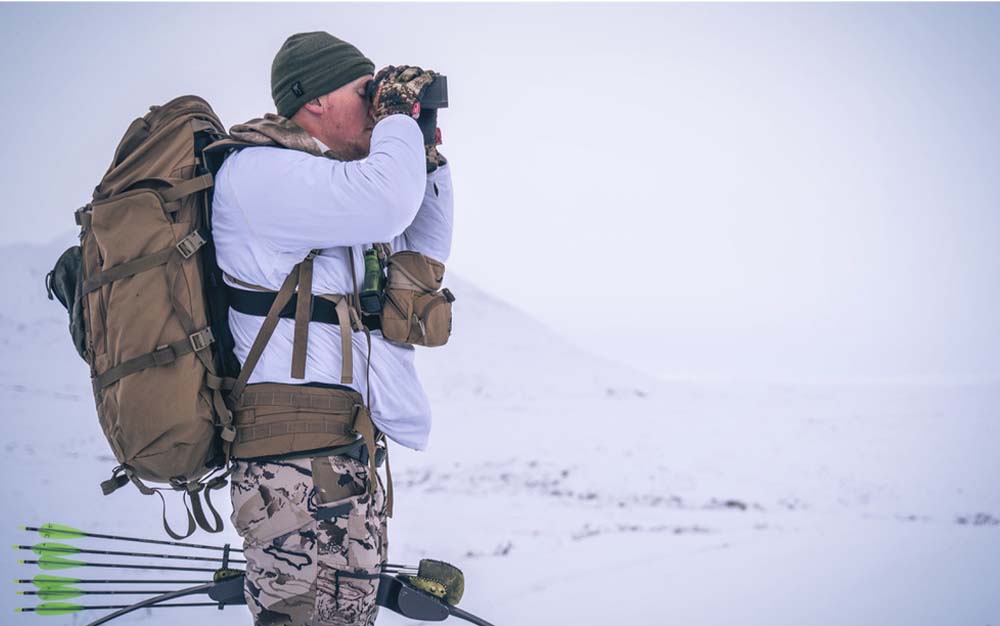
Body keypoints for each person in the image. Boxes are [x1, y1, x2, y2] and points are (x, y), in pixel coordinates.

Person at [211, 31, 454, 626]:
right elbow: (389, 204)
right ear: (315, 99)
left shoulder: (331, 188)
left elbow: (422, 251)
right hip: (299, 467)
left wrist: (421, 148)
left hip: (337, 460)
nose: (378, 106)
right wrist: (397, 118)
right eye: (367, 93)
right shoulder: (261, 174)